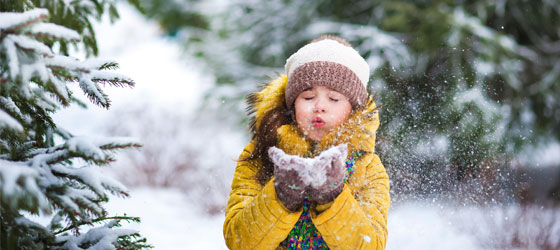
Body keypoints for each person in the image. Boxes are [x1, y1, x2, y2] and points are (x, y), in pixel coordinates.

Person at [223, 35, 391, 250]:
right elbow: (239, 241)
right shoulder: (261, 154)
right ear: (292, 105)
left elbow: (371, 245)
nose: (320, 106)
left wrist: (332, 196)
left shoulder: (367, 167)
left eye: (334, 98)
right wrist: (281, 196)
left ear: (353, 110)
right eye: (308, 97)